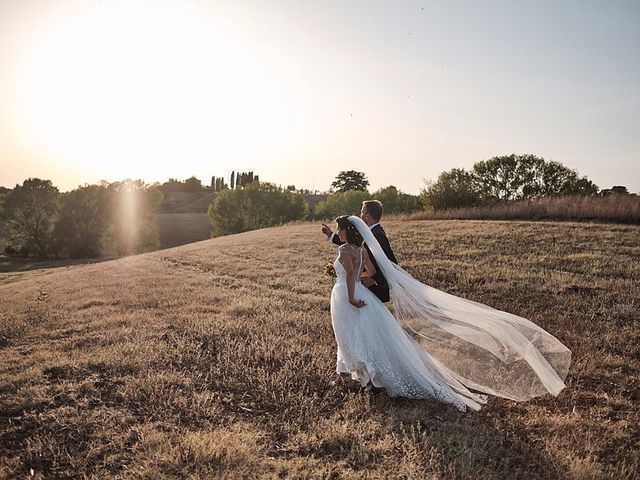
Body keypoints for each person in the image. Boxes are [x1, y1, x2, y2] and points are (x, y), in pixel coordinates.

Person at [329, 215, 571, 411]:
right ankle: (361, 378)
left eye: (339, 229)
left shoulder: (343, 251)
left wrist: (350, 294)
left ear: (346, 230)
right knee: (363, 335)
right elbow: (368, 272)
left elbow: (351, 275)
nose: (337, 233)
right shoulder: (360, 251)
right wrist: (357, 282)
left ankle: (362, 379)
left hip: (348, 295)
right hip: (364, 295)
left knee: (351, 334)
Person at [322, 200, 396, 303]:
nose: (360, 215)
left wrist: (375, 280)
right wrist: (331, 235)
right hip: (361, 286)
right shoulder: (367, 232)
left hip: (374, 287)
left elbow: (391, 263)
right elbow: (352, 245)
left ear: (367, 215)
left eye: (361, 212)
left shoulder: (378, 235)